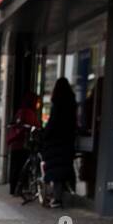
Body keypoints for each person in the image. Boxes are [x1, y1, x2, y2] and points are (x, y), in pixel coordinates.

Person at [41, 76, 77, 207]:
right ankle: (69, 192)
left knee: (55, 171)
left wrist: (45, 134)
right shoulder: (72, 104)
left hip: (56, 142)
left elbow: (52, 123)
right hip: (67, 141)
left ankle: (57, 198)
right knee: (65, 167)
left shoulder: (57, 105)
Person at [7, 92, 39, 195]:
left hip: (16, 144)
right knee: (21, 167)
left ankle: (14, 189)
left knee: (16, 167)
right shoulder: (29, 112)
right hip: (23, 144)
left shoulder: (21, 111)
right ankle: (20, 188)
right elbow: (34, 126)